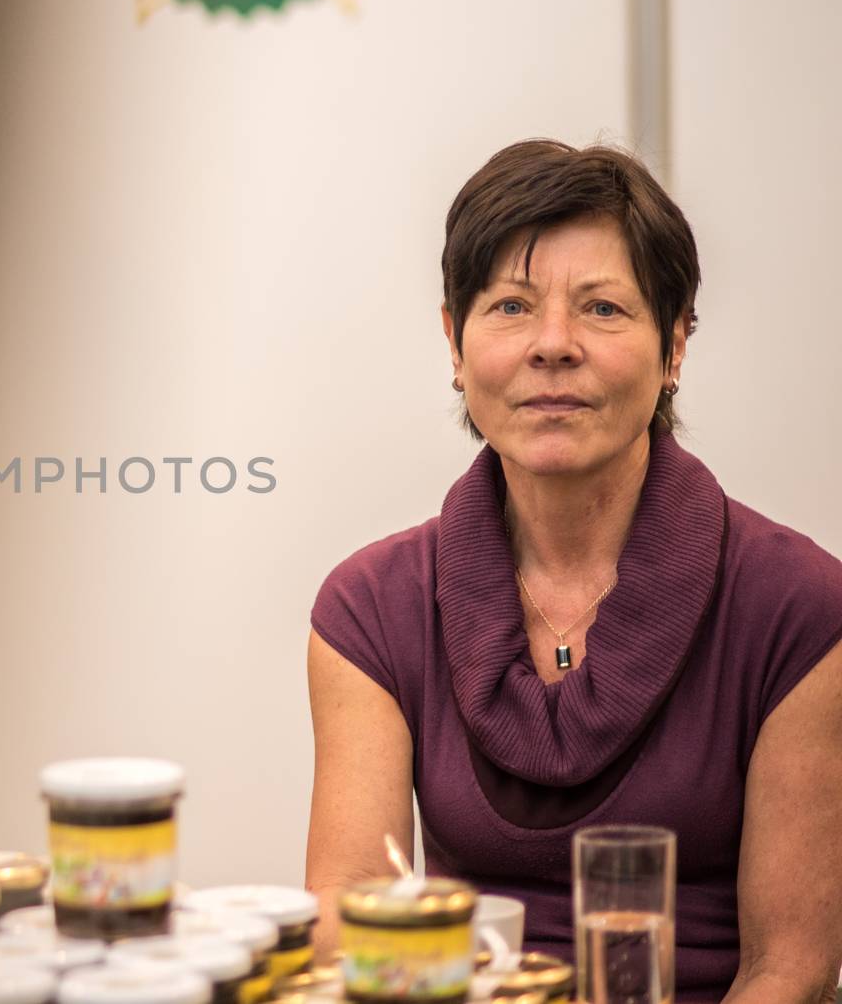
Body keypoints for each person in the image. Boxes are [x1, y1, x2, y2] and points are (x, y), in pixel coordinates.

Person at [304, 141, 842, 1002]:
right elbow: (348, 926)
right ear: (455, 339)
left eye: (601, 309)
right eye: (511, 306)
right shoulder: (370, 609)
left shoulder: (800, 610)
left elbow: (791, 970)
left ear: (674, 347)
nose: (553, 346)